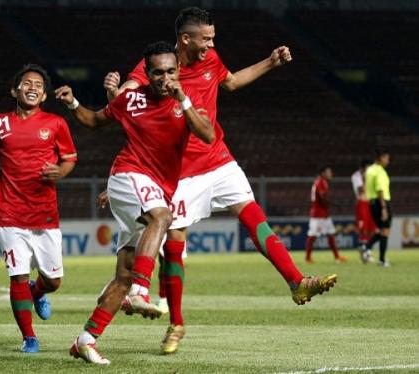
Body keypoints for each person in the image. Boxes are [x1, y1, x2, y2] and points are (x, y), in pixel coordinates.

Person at [103, 6, 337, 354]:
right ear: (186, 38)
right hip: (181, 170)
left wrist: (270, 62)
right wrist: (113, 92)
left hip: (219, 158)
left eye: (213, 39)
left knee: (253, 214)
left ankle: (296, 282)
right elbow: (129, 94)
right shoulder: (160, 66)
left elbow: (231, 82)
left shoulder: (211, 60)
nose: (211, 45)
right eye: (206, 39)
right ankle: (176, 324)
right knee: (175, 240)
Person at [55, 41, 214, 365]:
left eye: (170, 71)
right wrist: (73, 104)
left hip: (152, 187)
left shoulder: (187, 101)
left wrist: (181, 97)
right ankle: (142, 291)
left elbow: (208, 135)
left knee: (124, 274)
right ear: (147, 73)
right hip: (128, 177)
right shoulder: (131, 100)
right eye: (157, 72)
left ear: (178, 71)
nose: (164, 77)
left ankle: (85, 340)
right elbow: (95, 121)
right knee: (163, 218)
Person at [0, 64, 78, 353]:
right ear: (15, 90)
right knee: (17, 274)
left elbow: (69, 158)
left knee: (53, 281)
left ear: (43, 96)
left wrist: (60, 172)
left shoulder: (55, 124)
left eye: (39, 86)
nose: (33, 87)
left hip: (44, 212)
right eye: (27, 83)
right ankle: (29, 337)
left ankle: (36, 291)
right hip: (9, 211)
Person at [305, 166, 347, 263]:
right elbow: (322, 198)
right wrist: (335, 205)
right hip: (318, 214)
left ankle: (337, 257)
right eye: (329, 172)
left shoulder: (322, 182)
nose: (331, 174)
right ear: (323, 173)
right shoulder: (320, 182)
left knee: (331, 234)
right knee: (313, 235)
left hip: (324, 214)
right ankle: (308, 258)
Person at [361, 150, 392, 266]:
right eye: (387, 158)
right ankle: (382, 260)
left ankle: (366, 247)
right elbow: (380, 190)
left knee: (382, 230)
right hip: (381, 202)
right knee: (385, 231)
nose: (388, 160)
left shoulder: (370, 170)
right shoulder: (380, 171)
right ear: (381, 158)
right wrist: (384, 208)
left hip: (372, 203)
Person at [351, 159, 377, 258]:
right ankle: (363, 251)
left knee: (372, 229)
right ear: (362, 168)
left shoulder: (370, 175)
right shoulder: (356, 176)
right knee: (363, 229)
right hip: (361, 203)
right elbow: (361, 190)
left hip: (370, 203)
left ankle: (367, 251)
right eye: (368, 168)